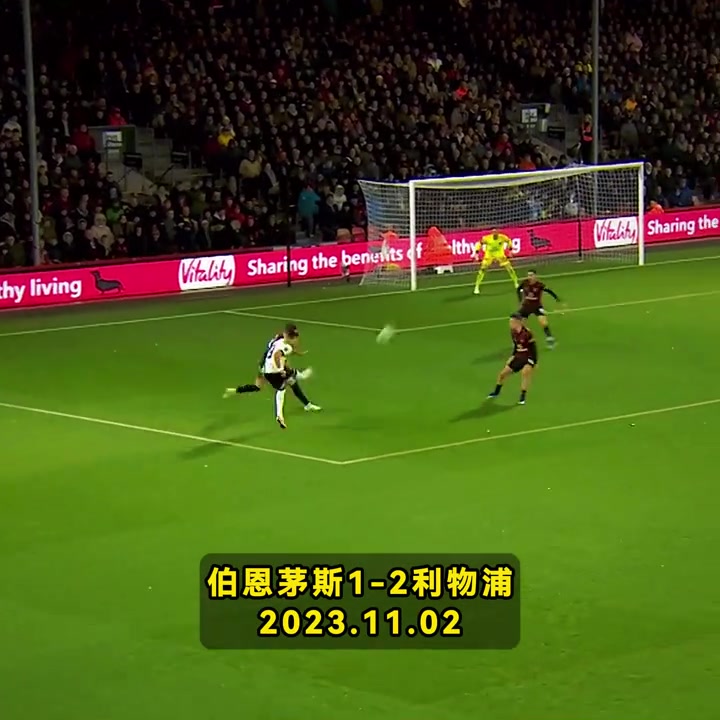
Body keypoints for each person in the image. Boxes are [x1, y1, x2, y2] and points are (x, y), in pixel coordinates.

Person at [224, 323, 321, 427]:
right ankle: (280, 415)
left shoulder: (277, 339)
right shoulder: (285, 347)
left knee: (260, 386)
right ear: (290, 337)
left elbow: (273, 352)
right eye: (294, 337)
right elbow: (277, 355)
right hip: (272, 371)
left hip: (265, 365)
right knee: (282, 388)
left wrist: (296, 354)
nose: (295, 340)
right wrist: (280, 369)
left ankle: (234, 391)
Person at [487, 314, 537, 406]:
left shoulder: (527, 333)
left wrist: (534, 362)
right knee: (502, 374)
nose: (510, 324)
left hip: (528, 356)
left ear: (517, 322)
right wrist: (512, 356)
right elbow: (515, 346)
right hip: (518, 356)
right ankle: (496, 392)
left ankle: (522, 396)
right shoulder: (513, 332)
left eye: (512, 322)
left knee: (525, 373)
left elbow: (533, 348)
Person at [516, 269, 562, 348]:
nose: (529, 277)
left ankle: (550, 340)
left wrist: (556, 298)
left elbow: (548, 290)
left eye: (531, 275)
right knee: (520, 324)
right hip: (526, 306)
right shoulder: (525, 283)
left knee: (544, 323)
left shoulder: (539, 285)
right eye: (528, 275)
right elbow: (519, 289)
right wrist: (520, 299)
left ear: (535, 276)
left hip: (537, 306)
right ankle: (523, 341)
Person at [472, 229, 518, 295]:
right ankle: (476, 287)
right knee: (482, 269)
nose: (495, 235)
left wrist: (510, 250)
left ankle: (516, 283)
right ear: (492, 234)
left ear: (498, 233)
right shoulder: (487, 238)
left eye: (496, 233)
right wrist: (476, 253)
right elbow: (479, 243)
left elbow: (508, 240)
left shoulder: (502, 237)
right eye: (493, 233)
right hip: (489, 255)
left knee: (509, 268)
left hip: (500, 255)